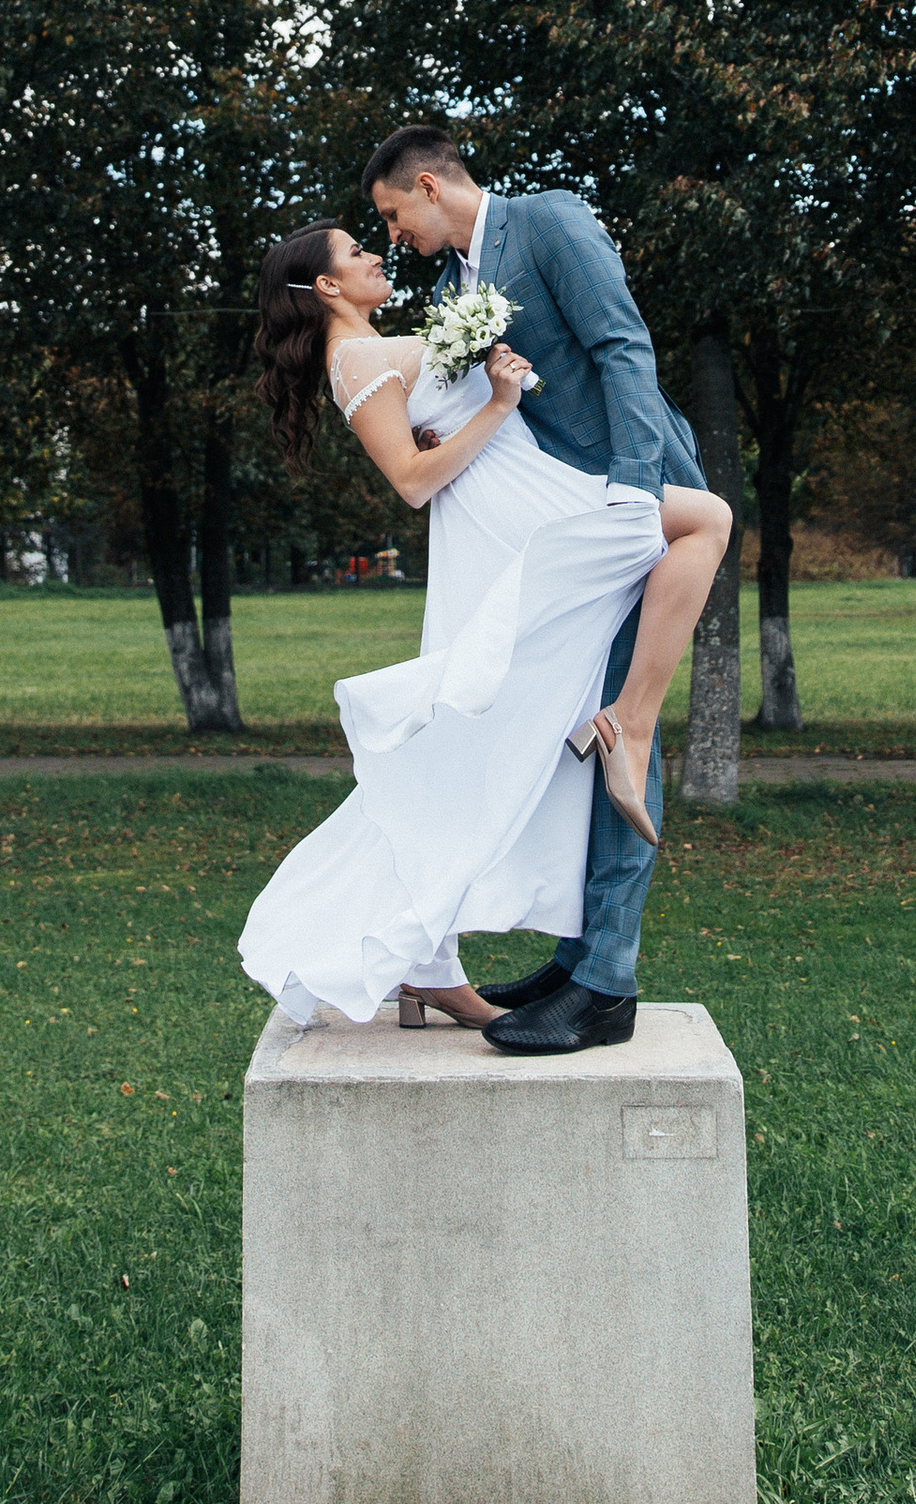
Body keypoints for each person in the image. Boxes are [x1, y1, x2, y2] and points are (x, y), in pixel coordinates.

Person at [235, 140, 727, 1055]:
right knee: (556, 723)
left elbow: (622, 348)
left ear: (427, 185)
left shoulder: (547, 221)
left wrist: (630, 482)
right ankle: (582, 962)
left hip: (607, 491)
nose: (391, 241)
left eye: (389, 219)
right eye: (369, 239)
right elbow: (421, 454)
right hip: (530, 511)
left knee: (607, 714)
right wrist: (487, 404)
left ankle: (601, 978)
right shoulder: (423, 308)